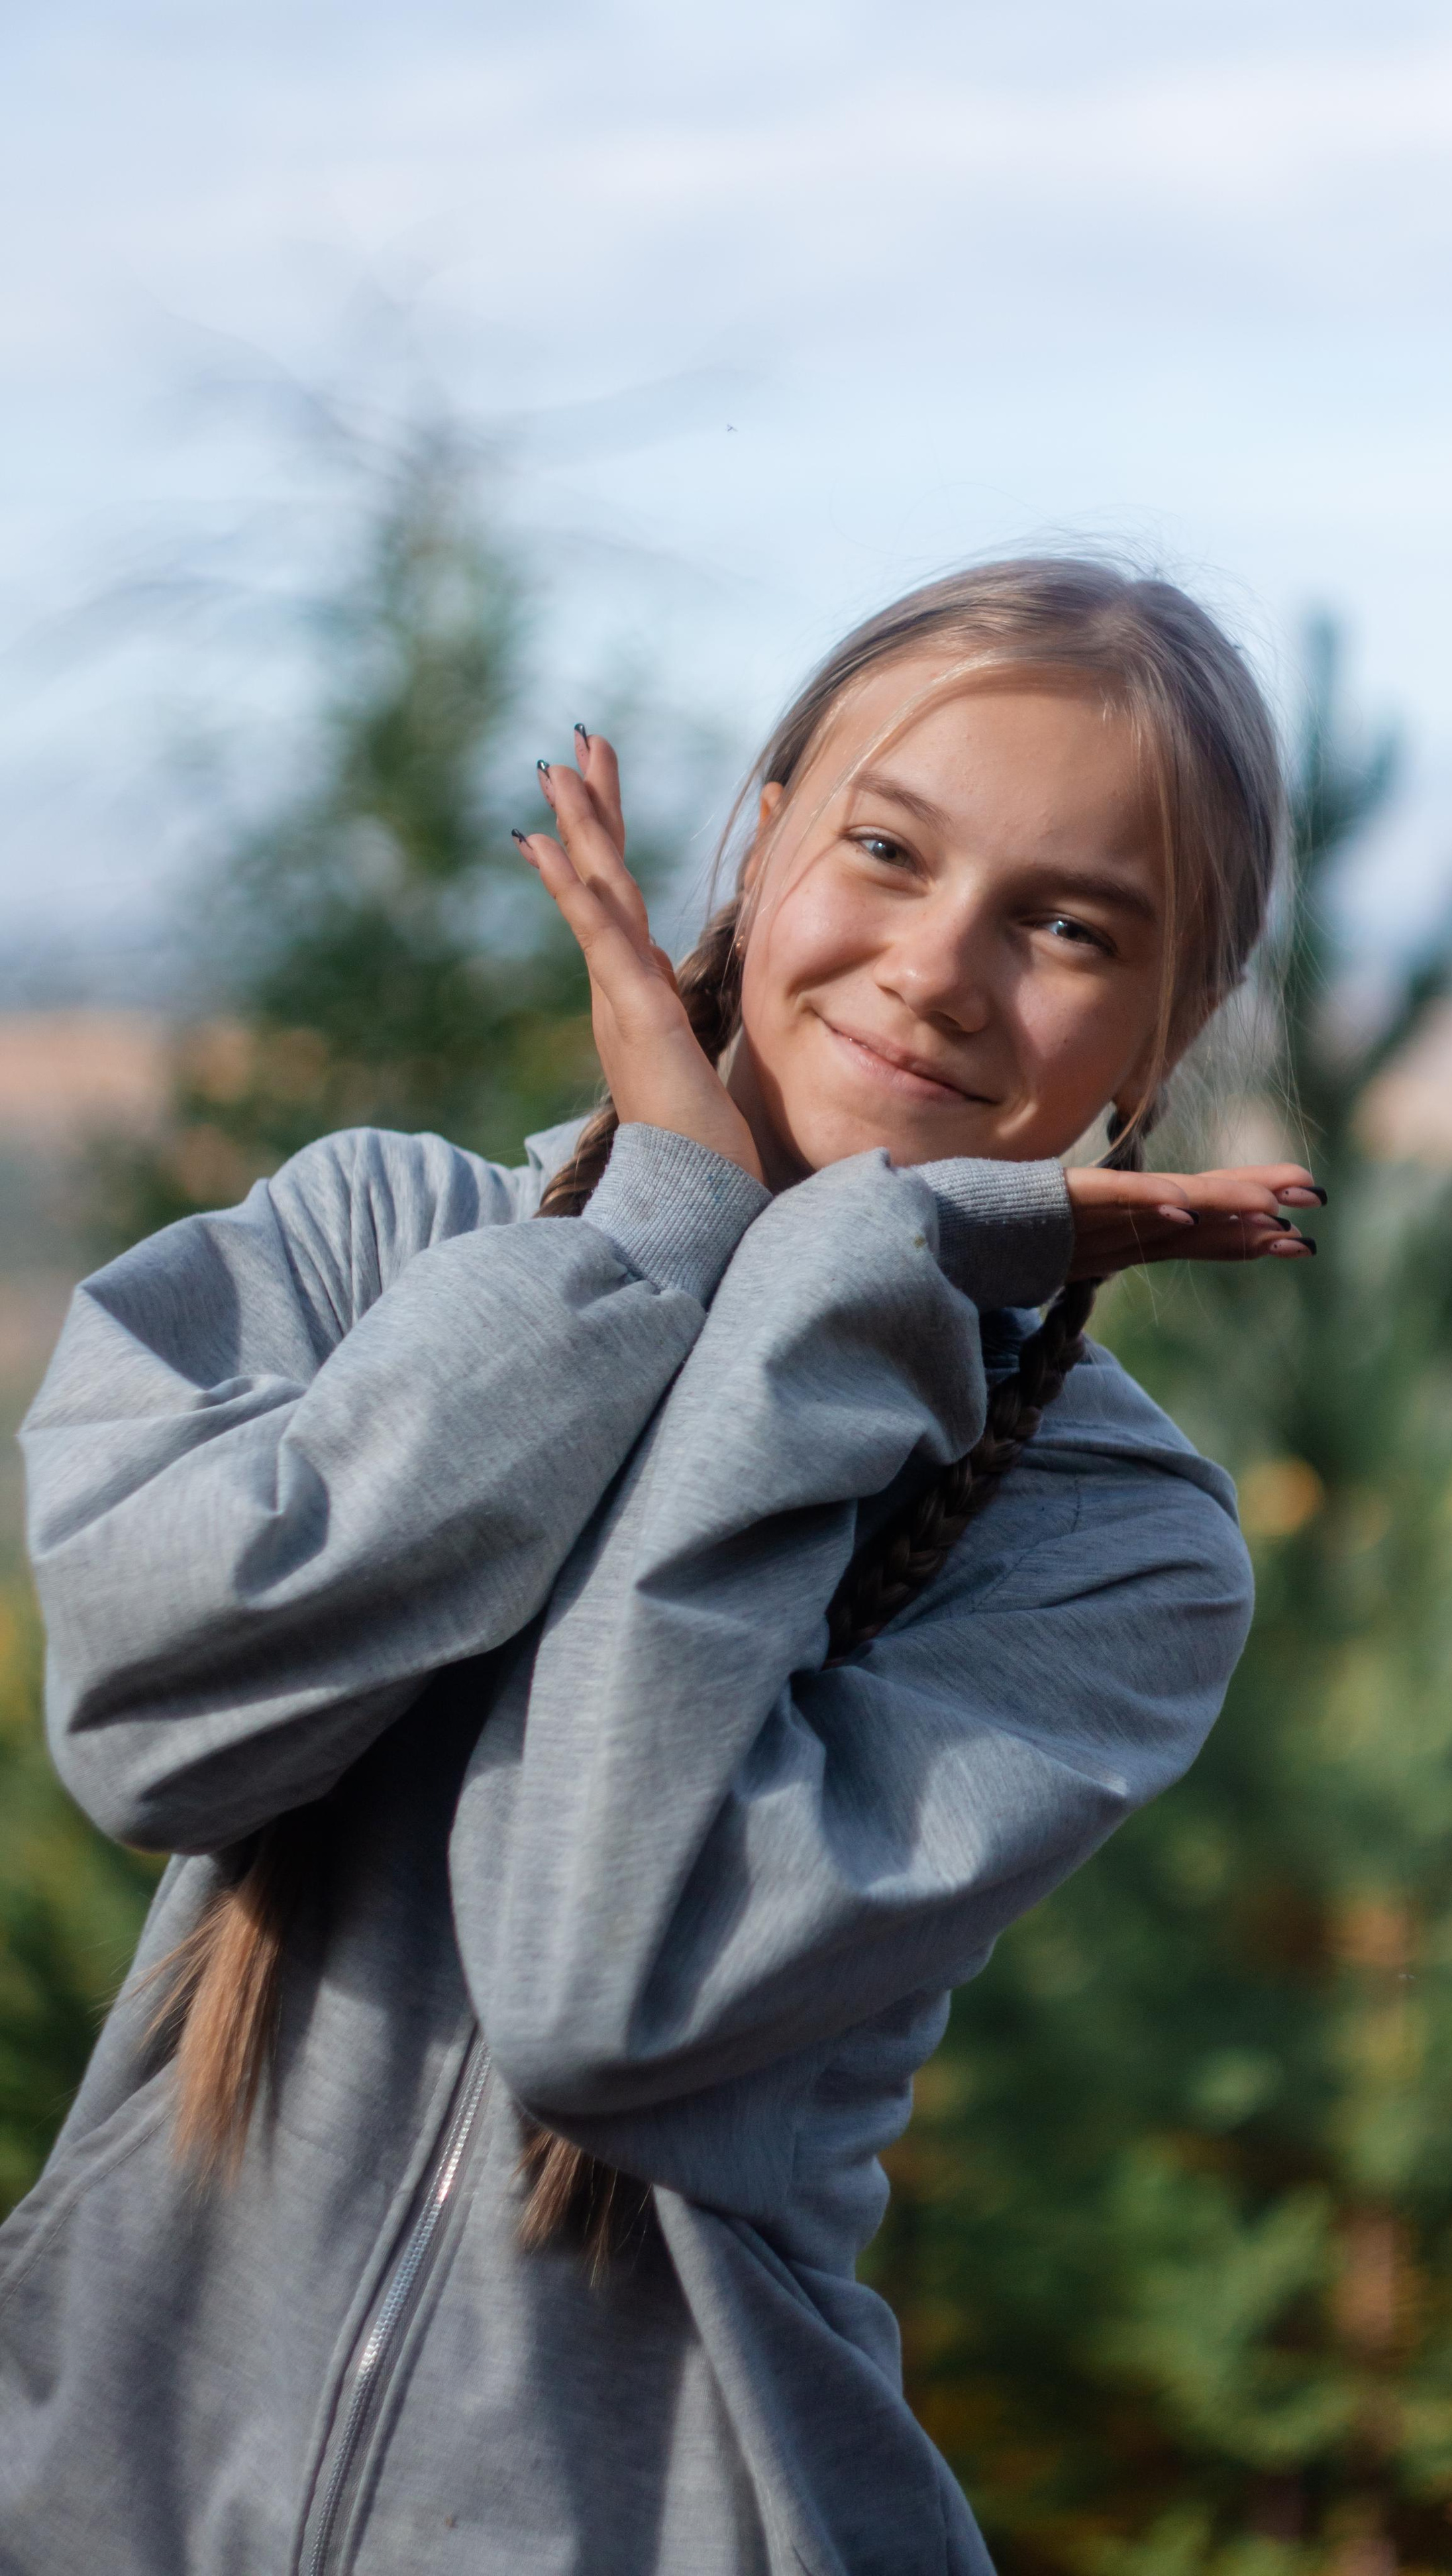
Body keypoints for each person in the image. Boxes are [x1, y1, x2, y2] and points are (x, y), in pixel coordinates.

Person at [0, 559, 1322, 2575]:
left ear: (1173, 1024)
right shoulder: (376, 1242)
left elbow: (601, 1992)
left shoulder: (1117, 1553)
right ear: (763, 834)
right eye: (887, 849)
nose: (942, 969)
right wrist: (643, 1249)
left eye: (1068, 927)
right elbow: (148, 1720)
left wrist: (827, 1290)